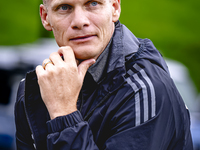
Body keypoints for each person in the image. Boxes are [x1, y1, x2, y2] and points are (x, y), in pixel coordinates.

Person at [14, 0, 193, 149]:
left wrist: (63, 114)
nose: (79, 21)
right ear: (46, 17)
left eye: (93, 3)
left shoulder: (146, 91)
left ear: (114, 8)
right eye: (64, 7)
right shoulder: (33, 89)